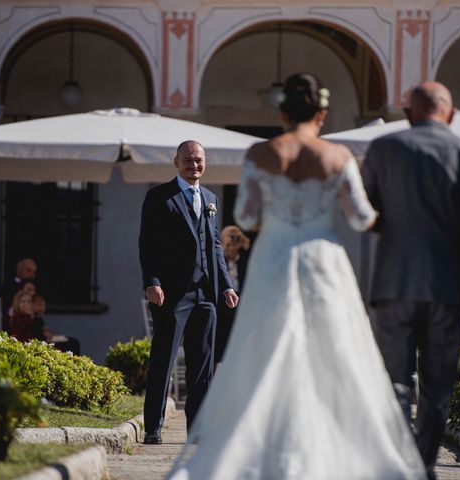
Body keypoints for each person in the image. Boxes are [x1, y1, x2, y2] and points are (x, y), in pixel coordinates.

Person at [167, 73, 426, 479]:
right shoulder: (337, 156)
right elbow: (361, 218)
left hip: (275, 258)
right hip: (324, 260)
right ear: (322, 113)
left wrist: (278, 209)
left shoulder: (261, 154)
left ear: (282, 111)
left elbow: (248, 216)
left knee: (268, 350)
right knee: (334, 352)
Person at [361, 81, 460, 479]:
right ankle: (422, 467)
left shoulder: (383, 149)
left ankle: (397, 463)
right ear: (452, 114)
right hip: (450, 287)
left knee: (394, 381)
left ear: (408, 113)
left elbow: (363, 213)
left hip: (392, 284)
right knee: (437, 388)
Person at [139, 139, 238, 445]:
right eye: (188, 160)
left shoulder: (210, 198)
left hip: (206, 294)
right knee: (164, 361)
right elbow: (148, 244)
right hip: (172, 293)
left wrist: (226, 286)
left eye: (199, 160)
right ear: (176, 162)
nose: (194, 165)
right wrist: (152, 282)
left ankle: (196, 428)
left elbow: (216, 246)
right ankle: (153, 427)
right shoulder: (159, 197)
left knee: (202, 366)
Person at [214, 225, 250, 364]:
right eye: (231, 237)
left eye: (237, 237)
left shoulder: (244, 261)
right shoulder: (220, 259)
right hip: (222, 306)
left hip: (240, 307)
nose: (234, 241)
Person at [0, 258, 38, 333]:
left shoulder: (34, 286)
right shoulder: (8, 286)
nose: (31, 275)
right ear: (19, 269)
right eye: (28, 270)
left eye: (33, 272)